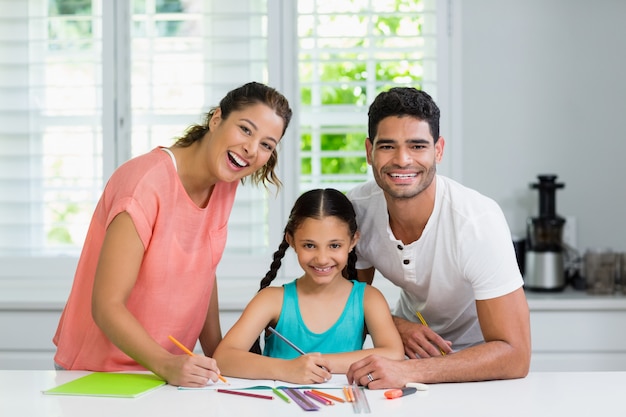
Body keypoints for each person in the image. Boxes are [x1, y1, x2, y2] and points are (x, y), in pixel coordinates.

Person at [52, 81, 293, 388]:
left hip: (160, 375)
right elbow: (106, 305)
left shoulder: (224, 182)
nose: (251, 149)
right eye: (245, 129)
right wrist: (166, 365)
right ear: (217, 119)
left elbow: (204, 270)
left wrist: (217, 356)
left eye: (266, 145)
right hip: (98, 372)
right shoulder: (145, 184)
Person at [345, 87, 531, 388]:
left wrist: (410, 373)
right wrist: (396, 326)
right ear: (369, 151)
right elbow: (344, 301)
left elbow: (515, 355)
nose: (402, 160)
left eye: (418, 146)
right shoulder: (358, 211)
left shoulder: (476, 221)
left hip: (483, 365)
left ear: (438, 150)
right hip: (406, 356)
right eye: (387, 146)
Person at [213, 188, 404, 384]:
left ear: (353, 241)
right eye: (310, 246)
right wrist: (287, 369)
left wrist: (316, 364)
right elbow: (224, 357)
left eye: (335, 245)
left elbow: (394, 353)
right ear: (291, 241)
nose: (322, 259)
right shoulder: (271, 300)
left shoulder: (368, 298)